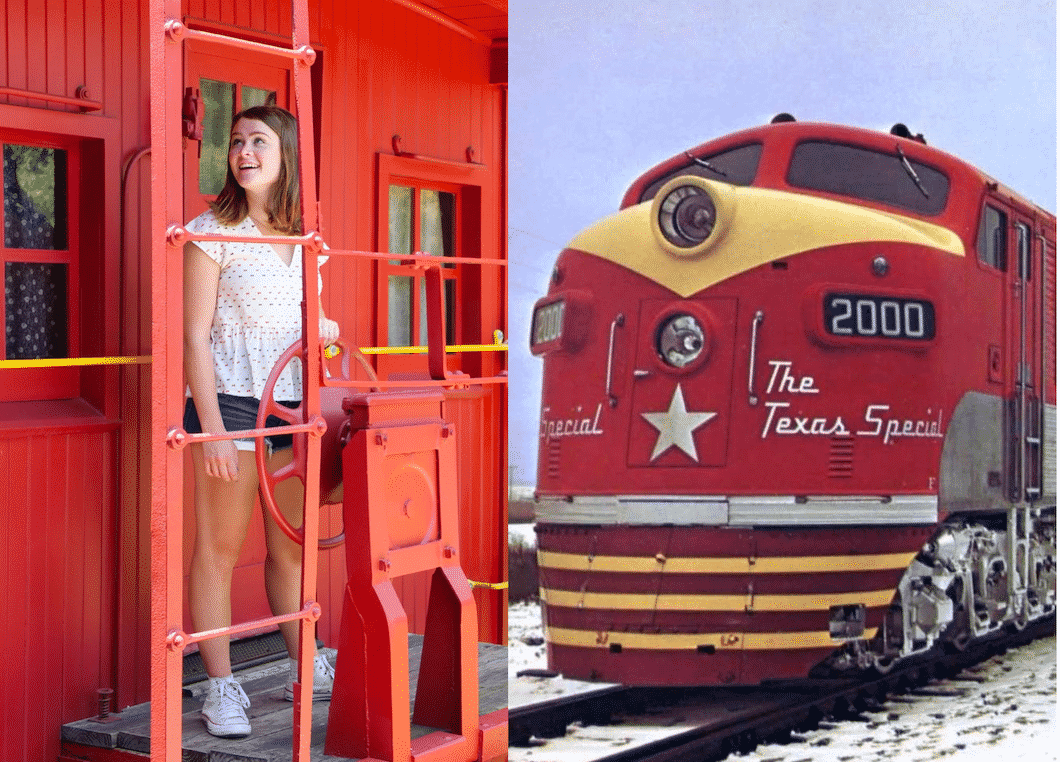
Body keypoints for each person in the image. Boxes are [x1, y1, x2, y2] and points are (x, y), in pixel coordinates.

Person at [182, 105, 340, 738]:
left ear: (286, 155)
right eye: (237, 141)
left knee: (288, 552)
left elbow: (314, 325)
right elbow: (194, 339)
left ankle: (307, 664)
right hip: (235, 403)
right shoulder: (209, 232)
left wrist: (326, 330)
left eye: (259, 141)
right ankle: (220, 687)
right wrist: (215, 427)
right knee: (218, 553)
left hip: (292, 407)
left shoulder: (306, 237)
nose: (244, 151)